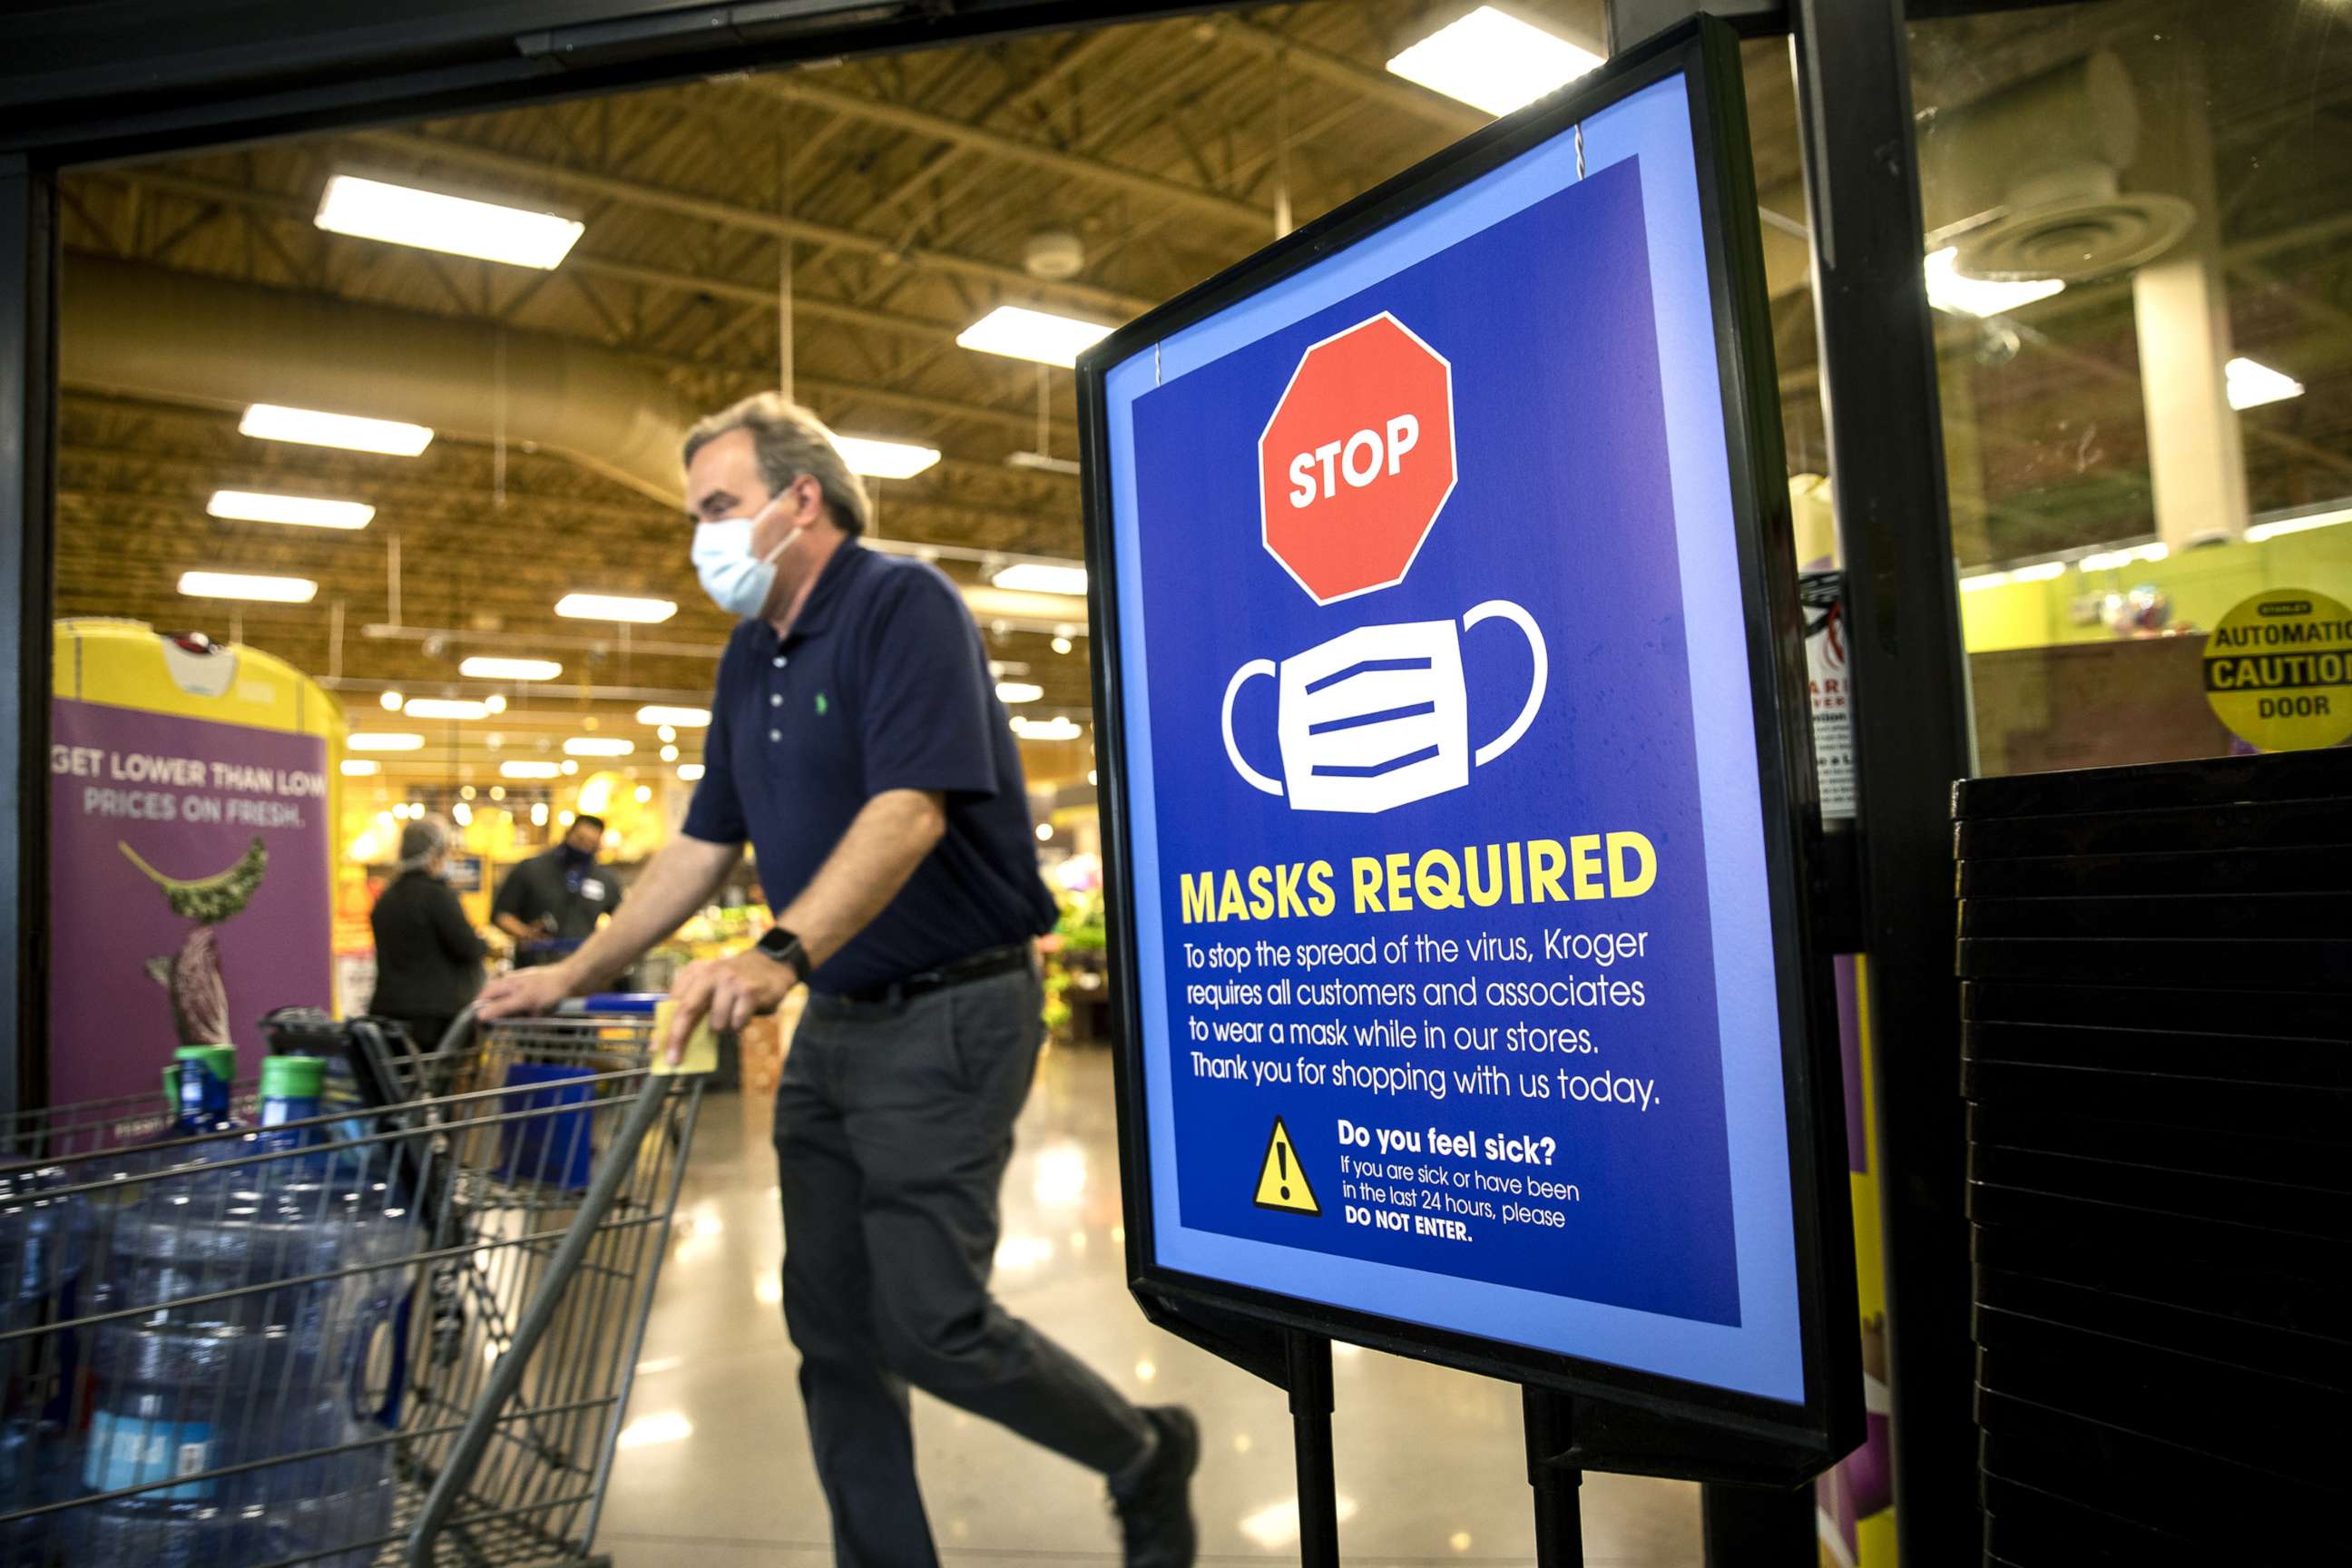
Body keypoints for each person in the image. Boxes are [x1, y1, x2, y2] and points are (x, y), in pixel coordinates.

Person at [479, 394, 1197, 1567]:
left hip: (954, 1009)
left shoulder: (900, 605)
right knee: (831, 1332)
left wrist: (774, 953)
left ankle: (1143, 1450)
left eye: (720, 506)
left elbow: (909, 810)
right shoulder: (746, 654)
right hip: (839, 1021)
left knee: (931, 1324)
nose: (701, 535)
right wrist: (572, 972)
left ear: (799, 499)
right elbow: (703, 845)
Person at [368, 815, 487, 1054]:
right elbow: (467, 948)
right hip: (436, 1015)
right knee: (437, 1084)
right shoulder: (438, 896)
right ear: (435, 855)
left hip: (388, 1009)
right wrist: (484, 944)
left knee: (400, 1083)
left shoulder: (386, 897)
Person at [490, 813, 622, 966]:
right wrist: (525, 933)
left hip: (582, 966)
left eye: (591, 843)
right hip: (535, 965)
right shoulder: (531, 869)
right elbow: (501, 915)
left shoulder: (604, 879)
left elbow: (622, 917)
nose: (584, 847)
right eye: (580, 839)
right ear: (568, 833)